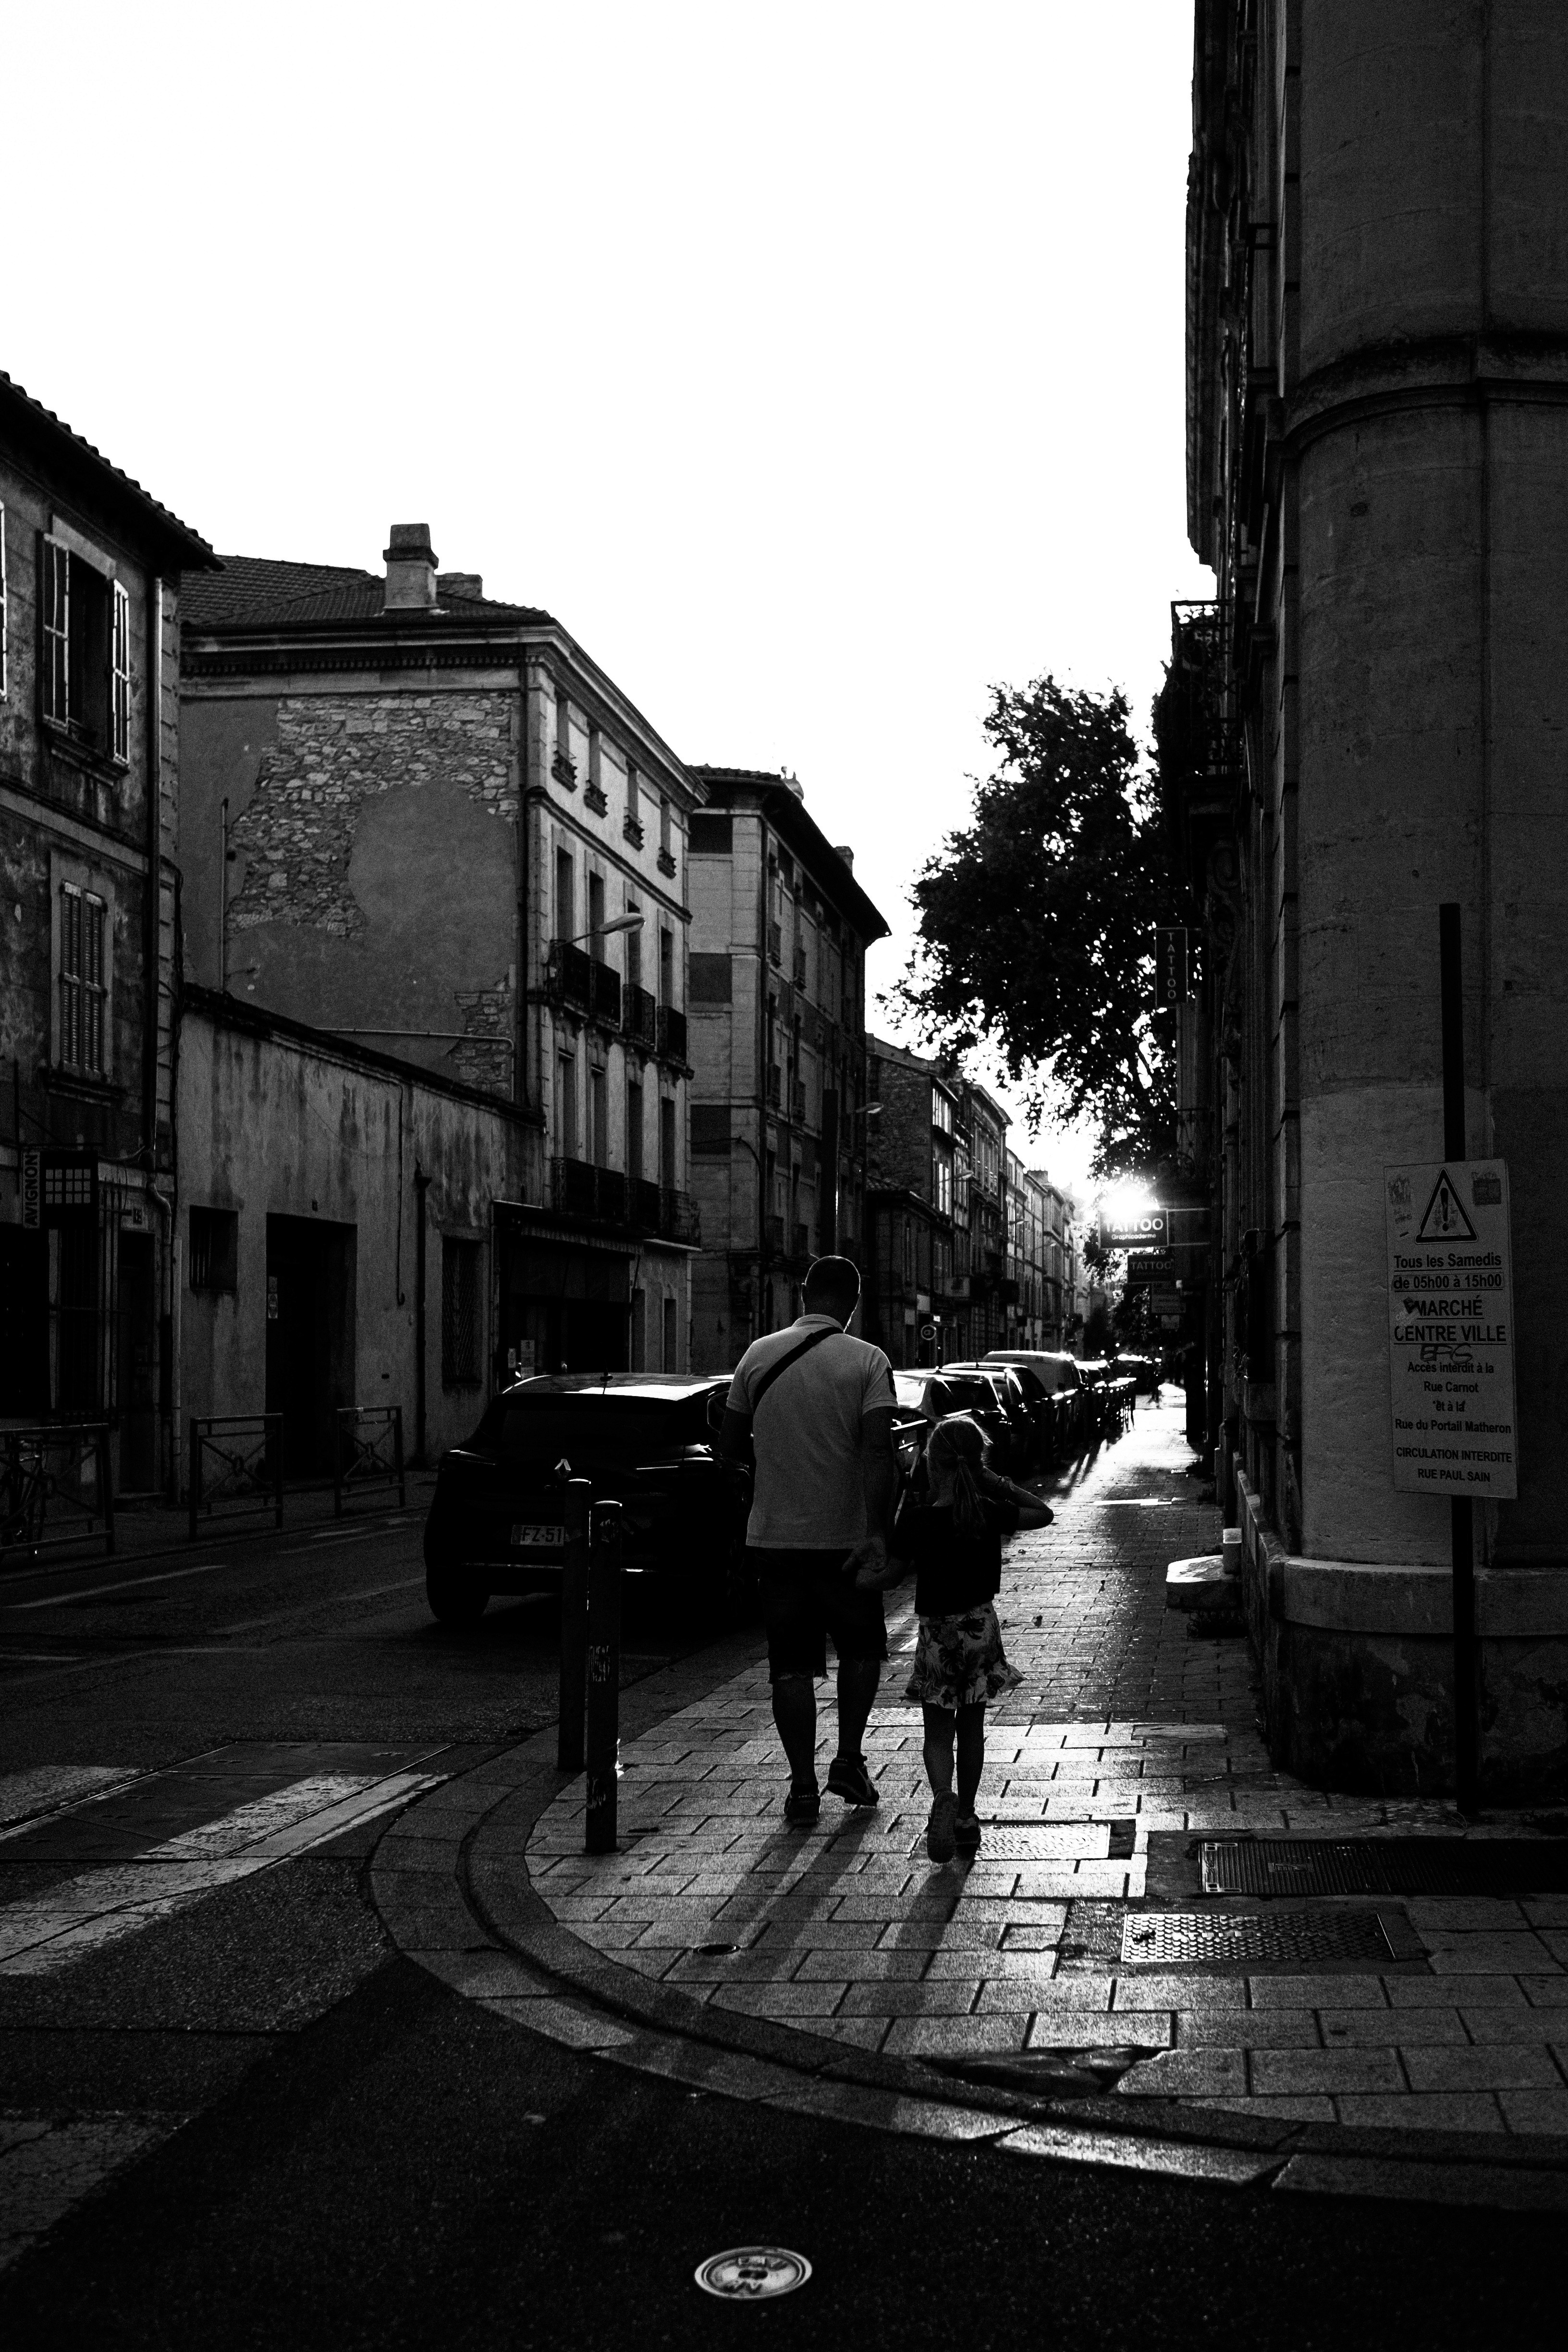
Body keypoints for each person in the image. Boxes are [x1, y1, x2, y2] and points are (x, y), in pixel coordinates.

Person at [721, 1255, 900, 1825]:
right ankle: (848, 1759)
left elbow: (729, 1446)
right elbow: (878, 1451)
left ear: (803, 1294)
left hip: (775, 1538)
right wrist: (881, 1531)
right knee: (861, 1650)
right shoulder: (869, 1361)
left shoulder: (756, 1354)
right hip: (846, 1538)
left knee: (790, 1666)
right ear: (854, 1301)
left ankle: (801, 1787)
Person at [892, 1412, 1053, 1863]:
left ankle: (942, 1794)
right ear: (977, 1461)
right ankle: (966, 1815)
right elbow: (1043, 1512)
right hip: (980, 1630)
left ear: (932, 1463)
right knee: (972, 1729)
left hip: (938, 1634)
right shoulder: (987, 1511)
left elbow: (891, 1573)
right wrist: (995, 1482)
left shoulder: (920, 1519)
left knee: (938, 1730)